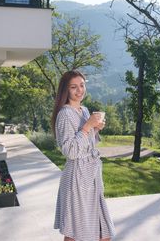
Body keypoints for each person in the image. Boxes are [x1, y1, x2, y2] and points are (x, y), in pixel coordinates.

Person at [52, 70, 115, 241]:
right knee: (74, 233)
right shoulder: (65, 114)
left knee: (103, 233)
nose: (79, 90)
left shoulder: (84, 110)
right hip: (76, 178)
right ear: (66, 90)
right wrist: (87, 127)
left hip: (92, 175)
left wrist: (95, 128)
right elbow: (70, 151)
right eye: (74, 87)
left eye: (82, 85)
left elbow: (87, 141)